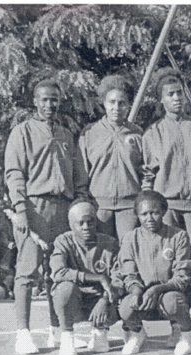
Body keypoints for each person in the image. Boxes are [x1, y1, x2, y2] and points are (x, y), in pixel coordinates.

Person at [4, 79, 89, 355]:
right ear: (35, 102)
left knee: (59, 271)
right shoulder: (23, 132)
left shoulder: (66, 135)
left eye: (54, 99)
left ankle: (58, 330)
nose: (49, 104)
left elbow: (78, 176)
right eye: (44, 99)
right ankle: (23, 333)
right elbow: (14, 172)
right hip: (34, 207)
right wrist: (20, 209)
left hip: (63, 209)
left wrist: (79, 202)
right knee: (27, 272)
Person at [116, 190, 191, 355]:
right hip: (144, 296)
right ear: (137, 215)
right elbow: (129, 274)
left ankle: (185, 332)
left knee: (173, 302)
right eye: (144, 214)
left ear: (164, 211)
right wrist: (136, 291)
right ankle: (137, 333)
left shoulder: (178, 236)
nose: (149, 218)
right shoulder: (130, 238)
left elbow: (182, 277)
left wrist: (157, 289)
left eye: (155, 213)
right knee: (126, 308)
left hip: (168, 293)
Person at [142, 68, 191, 238]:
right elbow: (148, 175)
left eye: (179, 93)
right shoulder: (153, 132)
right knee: (169, 252)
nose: (176, 98)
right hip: (166, 207)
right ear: (161, 99)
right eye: (171, 94)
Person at [49, 200, 120, 355]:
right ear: (71, 224)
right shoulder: (63, 241)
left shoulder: (109, 243)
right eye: (80, 223)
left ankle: (100, 331)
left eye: (90, 222)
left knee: (122, 299)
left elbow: (119, 278)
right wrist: (98, 277)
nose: (86, 227)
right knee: (64, 289)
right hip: (76, 302)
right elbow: (59, 272)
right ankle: (67, 336)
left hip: (99, 303)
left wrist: (104, 301)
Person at [80, 75, 143, 242]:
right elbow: (81, 172)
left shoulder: (138, 134)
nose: (117, 107)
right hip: (98, 207)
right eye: (112, 102)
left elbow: (146, 171)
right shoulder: (89, 133)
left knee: (128, 253)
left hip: (129, 208)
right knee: (101, 255)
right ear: (104, 103)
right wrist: (85, 202)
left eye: (122, 103)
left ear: (128, 105)